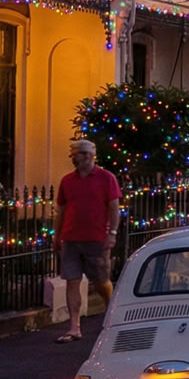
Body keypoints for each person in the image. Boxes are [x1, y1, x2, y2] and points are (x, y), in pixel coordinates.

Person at [54, 139, 120, 344]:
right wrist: (57, 236)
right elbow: (61, 210)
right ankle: (74, 327)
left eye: (78, 155)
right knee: (71, 281)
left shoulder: (106, 178)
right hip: (71, 238)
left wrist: (112, 233)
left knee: (101, 281)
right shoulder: (67, 181)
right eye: (73, 155)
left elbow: (114, 207)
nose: (75, 159)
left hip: (96, 238)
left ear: (89, 156)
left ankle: (111, 314)